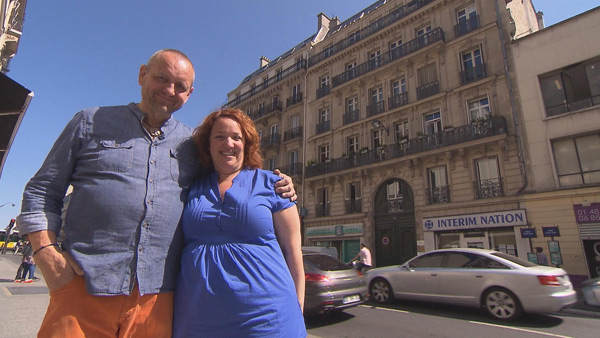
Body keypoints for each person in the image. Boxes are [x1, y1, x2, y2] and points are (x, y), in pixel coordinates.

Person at [16, 49, 296, 337]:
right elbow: (42, 191)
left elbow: (228, 173)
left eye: (180, 86)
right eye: (162, 78)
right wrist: (46, 253)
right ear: (142, 75)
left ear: (189, 94)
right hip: (85, 286)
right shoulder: (90, 122)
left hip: (158, 300)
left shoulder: (192, 144)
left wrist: (275, 181)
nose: (169, 90)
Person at [173, 108, 306, 337]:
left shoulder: (273, 184)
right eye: (220, 136)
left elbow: (293, 252)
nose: (229, 143)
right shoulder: (190, 186)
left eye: (237, 137)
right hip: (196, 318)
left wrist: (298, 310)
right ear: (208, 144)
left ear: (247, 143)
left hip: (267, 318)